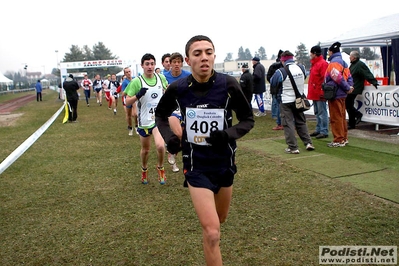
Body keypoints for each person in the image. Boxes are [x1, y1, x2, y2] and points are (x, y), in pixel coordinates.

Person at [155, 35, 254, 266]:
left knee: (219, 221)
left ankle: (210, 239)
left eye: (208, 52)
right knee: (212, 232)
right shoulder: (178, 88)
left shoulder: (228, 84)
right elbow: (160, 115)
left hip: (224, 165)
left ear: (214, 56)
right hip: (197, 167)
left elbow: (247, 120)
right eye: (197, 53)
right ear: (189, 60)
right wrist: (170, 138)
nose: (204, 58)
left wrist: (227, 135)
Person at [125, 53, 169, 185]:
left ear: (155, 65)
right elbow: (127, 101)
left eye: (152, 64)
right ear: (142, 66)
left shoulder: (161, 78)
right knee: (146, 150)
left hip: (158, 119)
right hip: (144, 122)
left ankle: (160, 168)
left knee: (161, 146)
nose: (150, 66)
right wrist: (137, 96)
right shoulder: (136, 81)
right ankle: (144, 169)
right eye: (147, 64)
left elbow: (167, 91)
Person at [270, 50, 315, 154]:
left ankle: (293, 147)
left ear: (283, 60)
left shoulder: (281, 71)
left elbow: (273, 81)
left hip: (286, 100)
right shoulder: (301, 68)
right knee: (301, 122)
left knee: (288, 124)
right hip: (299, 99)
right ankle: (308, 142)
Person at [163, 52, 191, 173]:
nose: (176, 64)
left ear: (182, 63)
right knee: (179, 134)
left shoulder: (188, 75)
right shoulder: (164, 77)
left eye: (179, 62)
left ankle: (173, 151)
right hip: (172, 108)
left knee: (184, 136)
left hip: (185, 108)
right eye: (174, 62)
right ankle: (172, 153)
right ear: (170, 64)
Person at [324, 42, 354, 147]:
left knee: (335, 117)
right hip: (342, 94)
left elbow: (336, 76)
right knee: (341, 116)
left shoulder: (333, 63)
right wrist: (349, 87)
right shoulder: (344, 63)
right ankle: (344, 137)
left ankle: (338, 139)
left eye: (328, 52)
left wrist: (346, 87)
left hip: (335, 93)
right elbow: (349, 76)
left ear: (331, 52)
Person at [347, 50, 379, 129]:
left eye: (350, 56)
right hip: (352, 87)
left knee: (348, 104)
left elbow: (366, 73)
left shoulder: (359, 65)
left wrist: (373, 81)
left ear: (354, 58)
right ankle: (352, 121)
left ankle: (356, 117)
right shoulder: (354, 65)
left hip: (355, 87)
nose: (349, 57)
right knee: (348, 105)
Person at [308, 45, 329, 138]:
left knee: (322, 112)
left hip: (319, 92)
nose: (310, 55)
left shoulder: (322, 63)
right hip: (314, 91)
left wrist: (321, 91)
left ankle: (324, 130)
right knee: (317, 112)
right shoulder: (315, 63)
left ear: (314, 54)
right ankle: (318, 129)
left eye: (311, 53)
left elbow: (324, 79)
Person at [266, 49, 284, 130]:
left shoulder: (274, 66)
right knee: (276, 103)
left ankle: (278, 119)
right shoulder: (274, 66)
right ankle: (276, 117)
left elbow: (269, 77)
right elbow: (269, 77)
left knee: (277, 104)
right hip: (276, 88)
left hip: (277, 88)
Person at [121, 67, 138, 135]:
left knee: (135, 114)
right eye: (127, 72)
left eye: (129, 71)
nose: (128, 73)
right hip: (128, 99)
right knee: (128, 115)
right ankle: (130, 127)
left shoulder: (135, 79)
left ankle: (137, 126)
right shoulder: (125, 82)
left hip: (134, 99)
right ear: (125, 73)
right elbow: (123, 92)